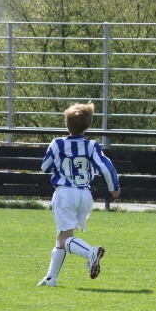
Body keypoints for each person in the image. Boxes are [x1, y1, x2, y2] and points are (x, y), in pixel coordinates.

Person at [37, 102, 121, 286]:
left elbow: (44, 167)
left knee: (66, 237)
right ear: (88, 124)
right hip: (85, 195)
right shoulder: (92, 145)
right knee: (62, 238)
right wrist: (114, 188)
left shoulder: (58, 143)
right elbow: (107, 167)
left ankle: (91, 252)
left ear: (67, 124)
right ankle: (51, 277)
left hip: (65, 193)